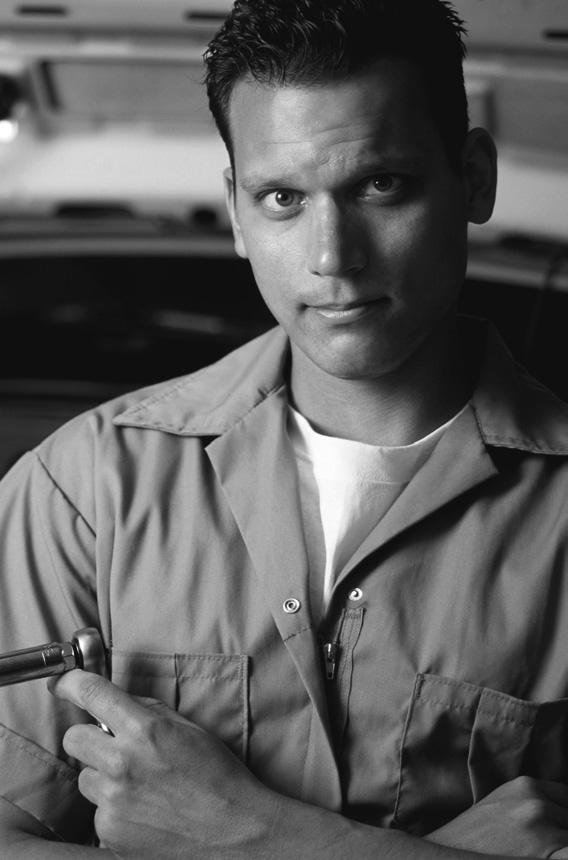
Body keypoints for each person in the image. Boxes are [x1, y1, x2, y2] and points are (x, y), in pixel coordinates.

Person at [1, 0, 568, 857]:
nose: (333, 256)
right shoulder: (82, 491)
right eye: (282, 198)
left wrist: (244, 831)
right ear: (236, 211)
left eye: (381, 185)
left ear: (474, 178)